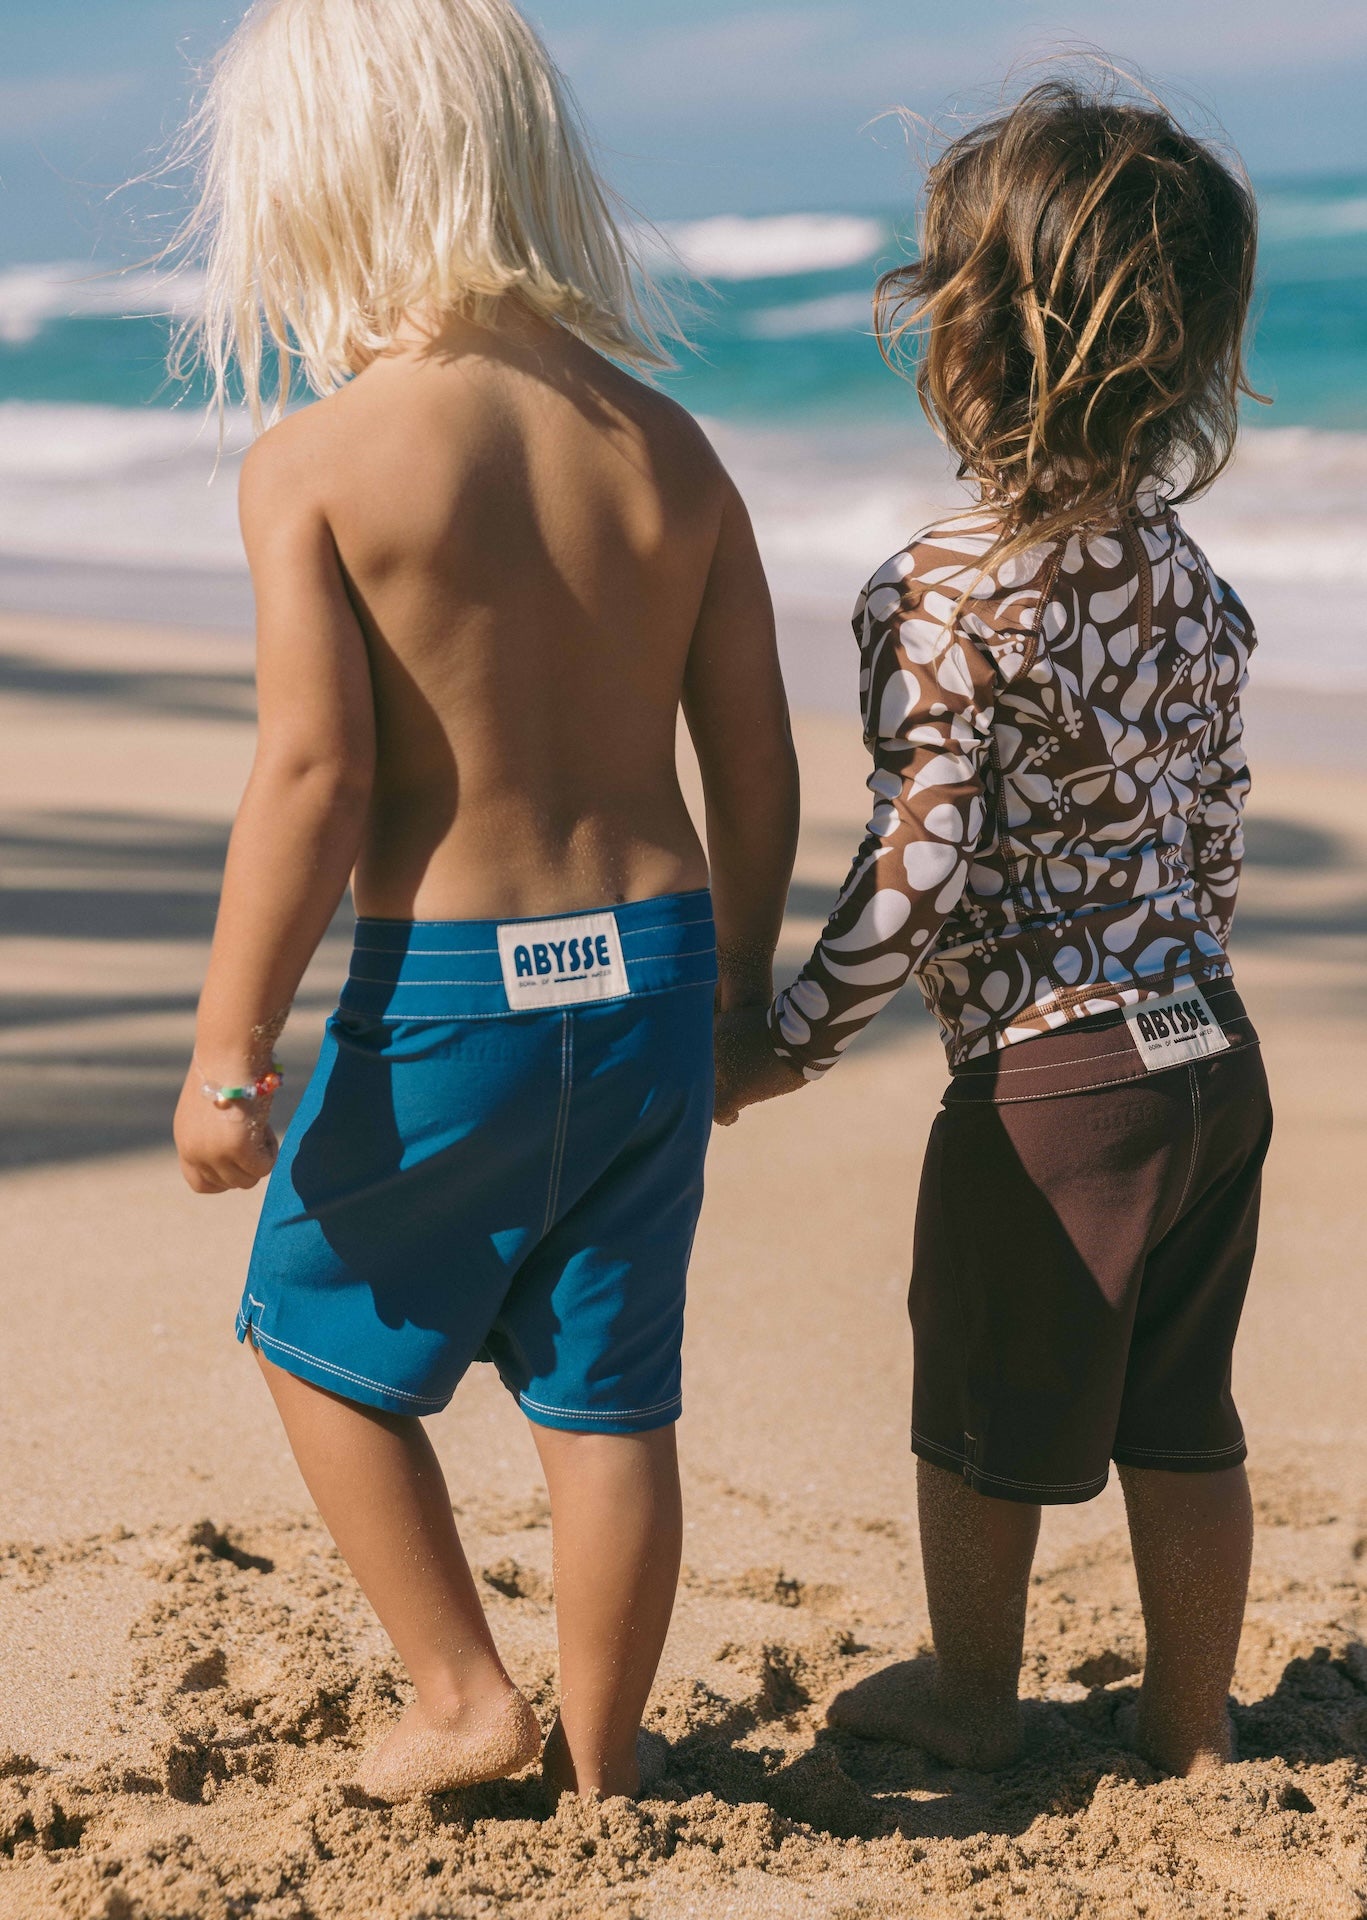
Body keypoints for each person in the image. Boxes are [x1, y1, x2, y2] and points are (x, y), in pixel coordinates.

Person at [170, 0, 798, 1805]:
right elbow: (752, 762)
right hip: (656, 976)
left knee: (316, 1327)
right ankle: (608, 1772)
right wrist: (742, 992)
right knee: (610, 1393)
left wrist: (231, 1048)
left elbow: (318, 776)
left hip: (456, 988)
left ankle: (465, 1696)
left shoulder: (321, 461)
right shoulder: (671, 451)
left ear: (317, 179)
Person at [716, 78, 1272, 1780]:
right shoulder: (1193, 579)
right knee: (1184, 1416)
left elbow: (923, 859)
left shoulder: (940, 588)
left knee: (977, 1413)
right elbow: (1217, 829)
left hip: (1051, 1087)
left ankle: (973, 1693)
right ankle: (1191, 1724)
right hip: (1210, 1058)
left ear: (963, 334)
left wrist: (788, 1040)